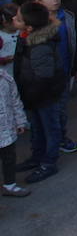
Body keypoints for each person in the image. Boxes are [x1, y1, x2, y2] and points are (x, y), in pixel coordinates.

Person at [25, 0, 77, 155]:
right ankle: (46, 149)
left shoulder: (67, 17)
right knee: (45, 116)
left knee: (61, 110)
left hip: (63, 72)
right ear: (38, 0)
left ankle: (60, 138)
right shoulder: (33, 22)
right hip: (42, 77)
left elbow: (75, 42)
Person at [12, 2, 66, 183]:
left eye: (18, 19)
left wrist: (31, 95)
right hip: (32, 95)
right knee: (37, 128)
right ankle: (37, 156)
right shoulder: (26, 38)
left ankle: (48, 162)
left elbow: (43, 77)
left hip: (43, 96)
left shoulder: (40, 46)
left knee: (50, 128)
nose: (13, 19)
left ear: (29, 26)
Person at [0, 48, 29, 197]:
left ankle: (9, 184)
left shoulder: (6, 78)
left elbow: (15, 101)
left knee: (9, 157)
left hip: (7, 130)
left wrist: (20, 121)